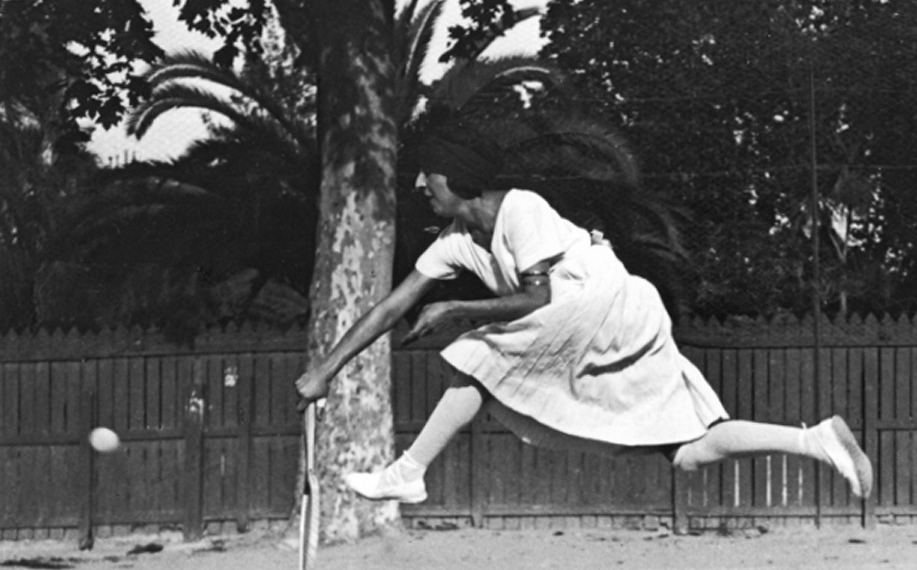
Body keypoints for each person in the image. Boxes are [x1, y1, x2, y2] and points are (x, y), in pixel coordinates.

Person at [295, 128, 872, 504]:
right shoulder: (453, 240)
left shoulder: (520, 207)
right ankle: (817, 441)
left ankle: (408, 471)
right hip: (611, 323)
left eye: (428, 174)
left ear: (455, 179)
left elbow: (539, 300)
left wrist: (456, 307)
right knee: (689, 451)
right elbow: (392, 304)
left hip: (610, 306)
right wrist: (327, 368)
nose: (419, 184)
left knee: (480, 352)